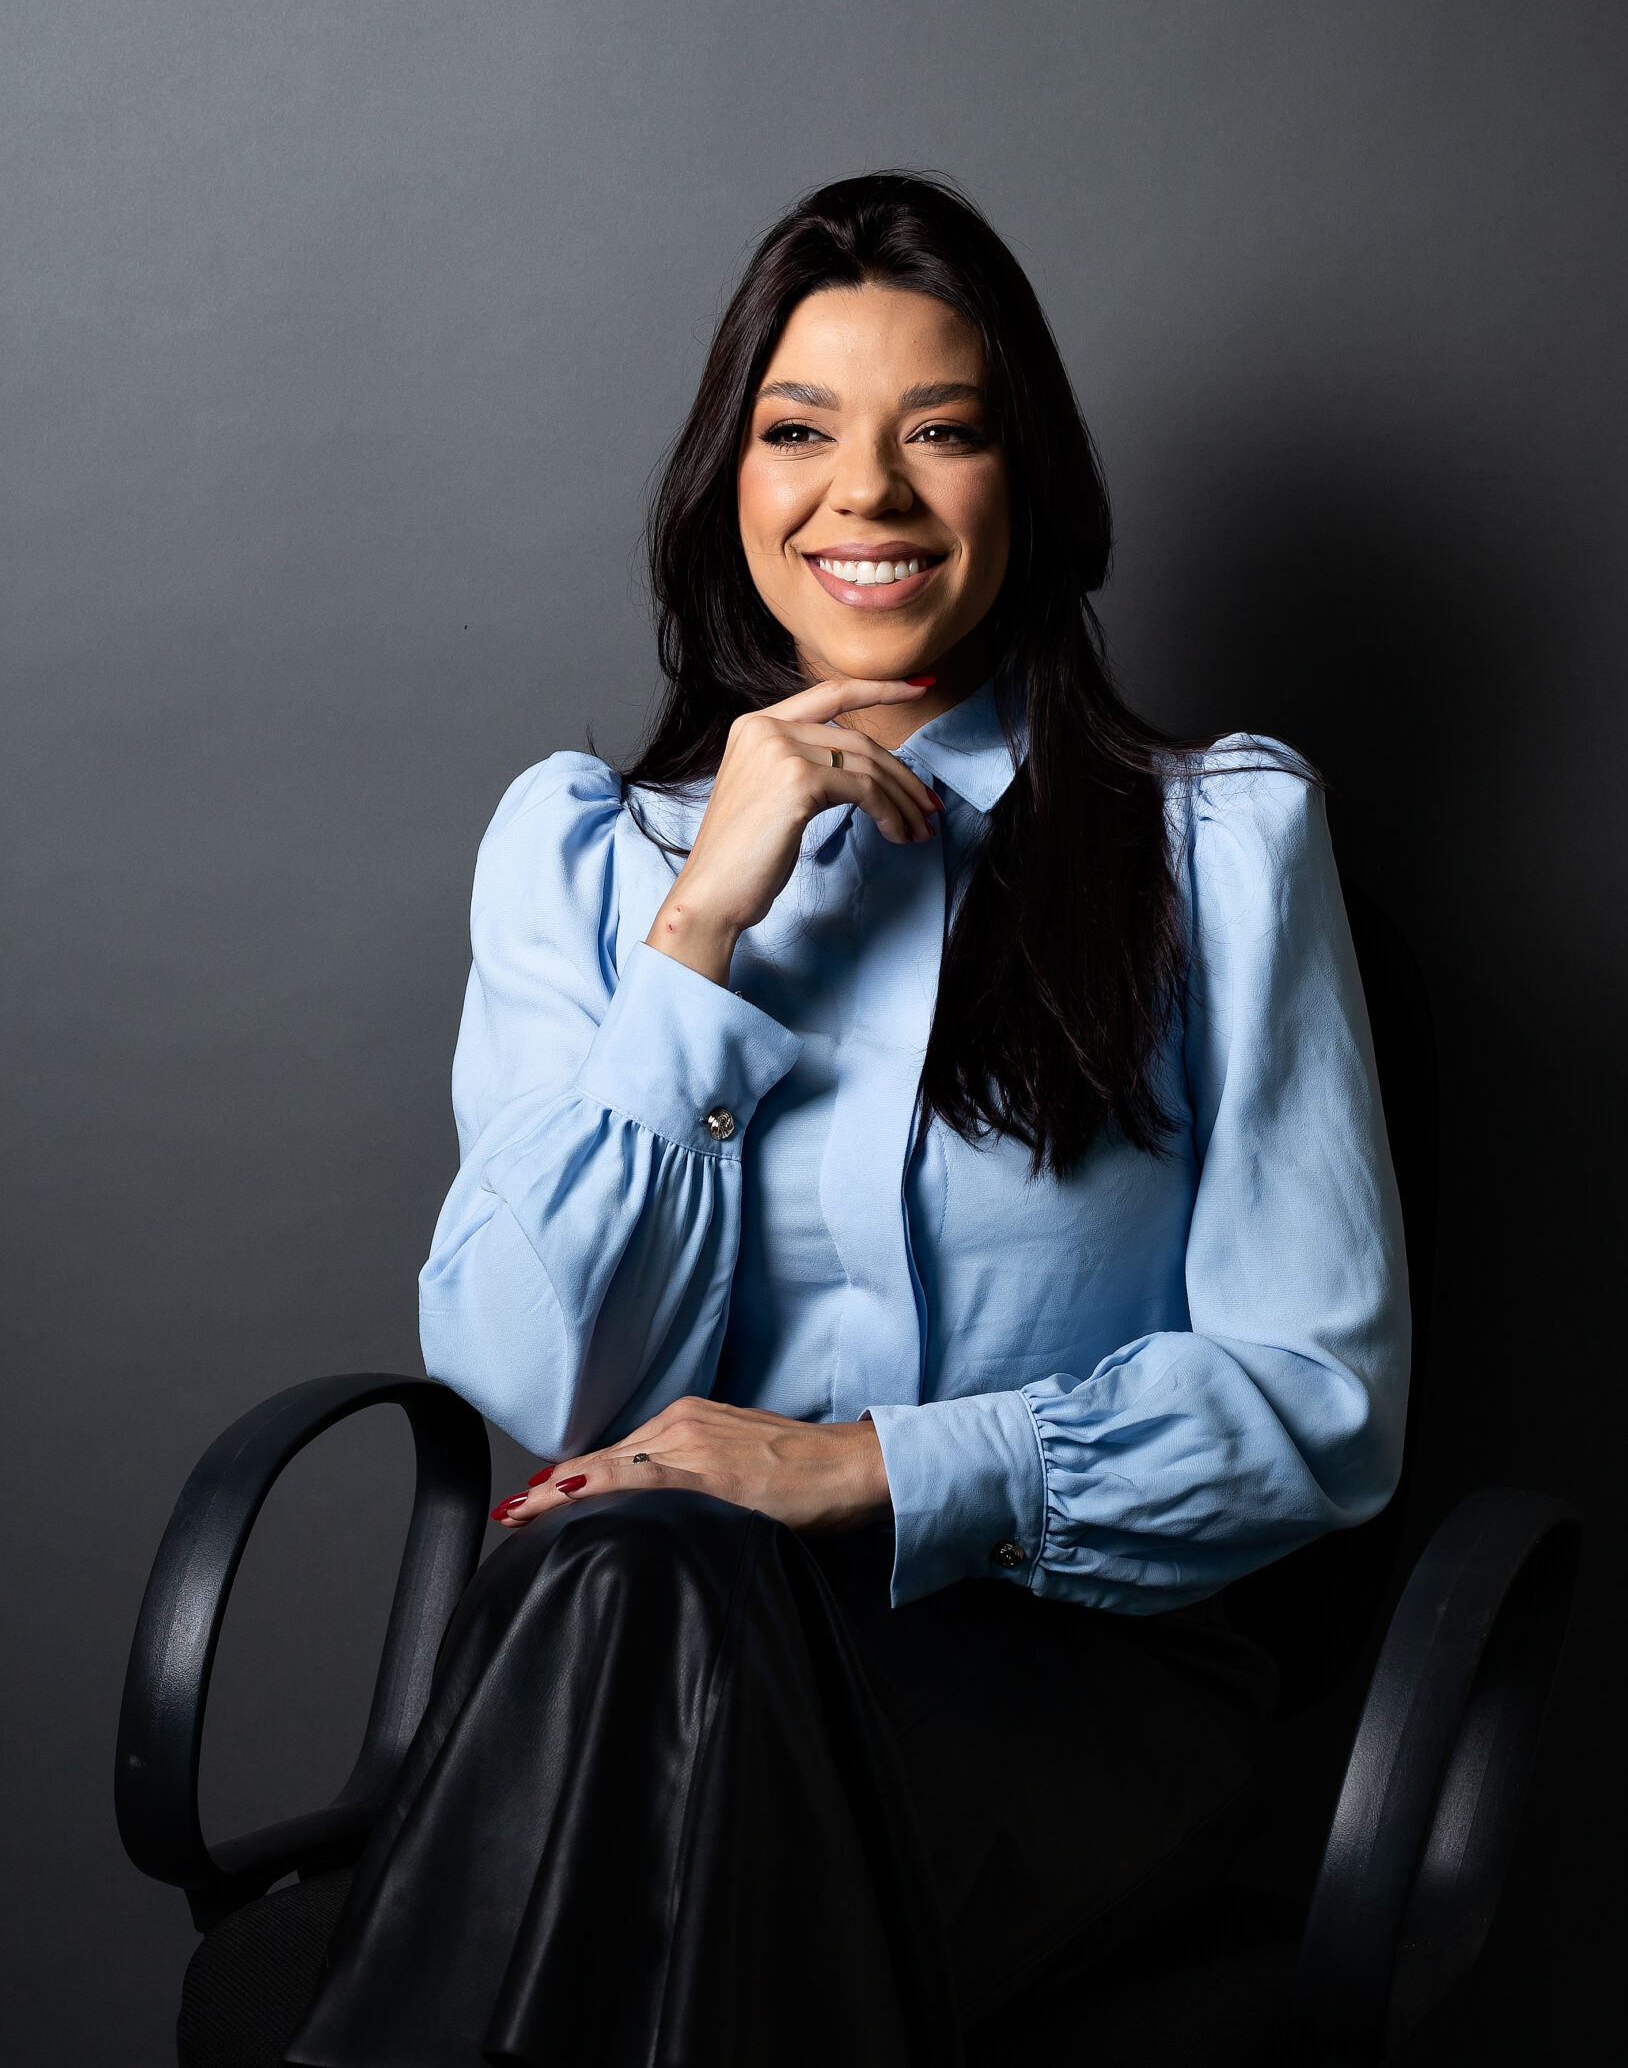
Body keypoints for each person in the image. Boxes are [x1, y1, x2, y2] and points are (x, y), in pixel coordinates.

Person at [288, 174, 1409, 2068]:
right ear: (726, 480)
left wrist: (867, 1467)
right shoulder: (589, 861)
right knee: (655, 1594)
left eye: (939, 432)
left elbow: (1318, 1405)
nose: (863, 496)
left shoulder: (1214, 843)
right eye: (798, 431)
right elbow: (541, 1378)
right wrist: (700, 935)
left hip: (1054, 1693)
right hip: (642, 1649)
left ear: (1025, 482)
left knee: (642, 1676)